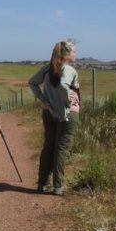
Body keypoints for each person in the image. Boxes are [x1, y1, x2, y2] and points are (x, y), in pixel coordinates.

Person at [28, 41, 79, 196]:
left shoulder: (47, 68)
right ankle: (58, 186)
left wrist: (44, 99)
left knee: (48, 147)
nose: (76, 53)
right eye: (74, 51)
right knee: (61, 149)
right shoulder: (69, 69)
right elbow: (64, 85)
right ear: (67, 53)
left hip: (49, 112)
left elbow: (32, 82)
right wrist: (67, 102)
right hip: (68, 114)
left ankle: (42, 183)